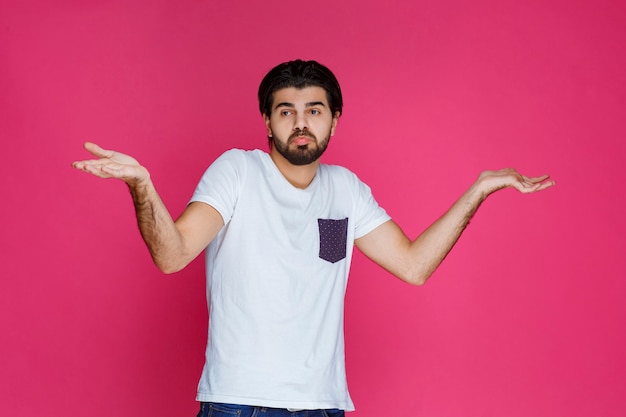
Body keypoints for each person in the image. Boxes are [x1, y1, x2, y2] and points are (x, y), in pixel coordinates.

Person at [72, 59, 555, 416]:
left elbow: (413, 266)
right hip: (239, 404)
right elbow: (172, 255)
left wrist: (480, 188)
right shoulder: (238, 171)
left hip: (323, 405)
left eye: (314, 110)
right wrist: (143, 186)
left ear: (334, 119)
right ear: (267, 121)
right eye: (286, 111)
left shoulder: (345, 189)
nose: (301, 122)